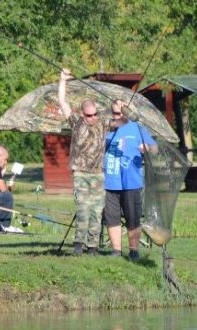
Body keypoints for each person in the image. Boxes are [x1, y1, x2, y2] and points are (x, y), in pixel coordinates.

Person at [58, 68, 131, 256]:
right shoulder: (76, 122)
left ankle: (92, 247)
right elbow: (62, 102)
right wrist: (63, 81)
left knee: (97, 211)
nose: (93, 118)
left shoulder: (103, 123)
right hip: (81, 173)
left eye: (95, 114)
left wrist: (123, 108)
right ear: (83, 114)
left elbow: (123, 121)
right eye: (89, 115)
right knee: (83, 208)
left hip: (98, 173)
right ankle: (78, 244)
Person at [103, 99, 157, 261]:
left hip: (131, 181)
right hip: (110, 181)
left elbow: (154, 148)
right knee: (111, 217)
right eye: (114, 113)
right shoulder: (105, 129)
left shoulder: (136, 128)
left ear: (126, 112)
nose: (117, 116)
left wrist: (146, 148)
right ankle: (116, 250)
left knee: (132, 217)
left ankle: (133, 250)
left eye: (120, 112)